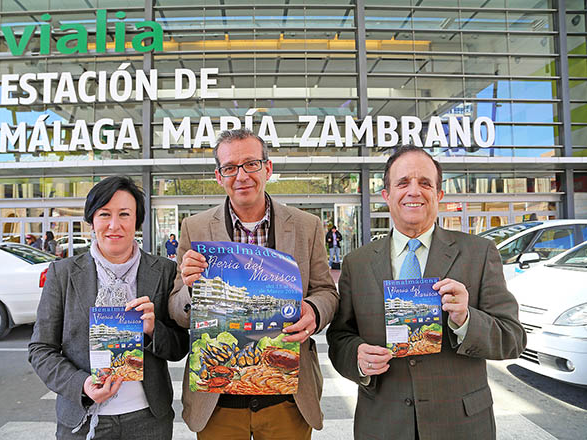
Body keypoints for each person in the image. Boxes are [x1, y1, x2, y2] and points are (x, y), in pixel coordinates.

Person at [326, 146, 526, 440]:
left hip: (461, 425)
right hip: (382, 423)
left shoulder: (479, 253)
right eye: (403, 182)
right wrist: (356, 357)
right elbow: (339, 337)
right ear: (387, 195)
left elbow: (513, 338)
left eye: (425, 183)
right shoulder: (357, 263)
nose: (414, 192)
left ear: (439, 195)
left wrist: (466, 319)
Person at [169, 129, 339, 439]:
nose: (242, 175)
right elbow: (177, 309)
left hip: (288, 397)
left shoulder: (306, 226)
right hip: (217, 400)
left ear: (268, 168)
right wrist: (192, 288)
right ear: (219, 177)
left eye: (251, 164)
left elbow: (327, 291)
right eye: (230, 167)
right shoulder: (194, 228)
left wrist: (314, 311)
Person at [29, 176, 189, 440]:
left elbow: (180, 346)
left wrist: (152, 330)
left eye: (125, 214)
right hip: (83, 419)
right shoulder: (63, 273)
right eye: (105, 214)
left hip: (149, 420)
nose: (114, 225)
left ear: (137, 221)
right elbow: (40, 349)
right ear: (92, 220)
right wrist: (81, 384)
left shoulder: (163, 271)